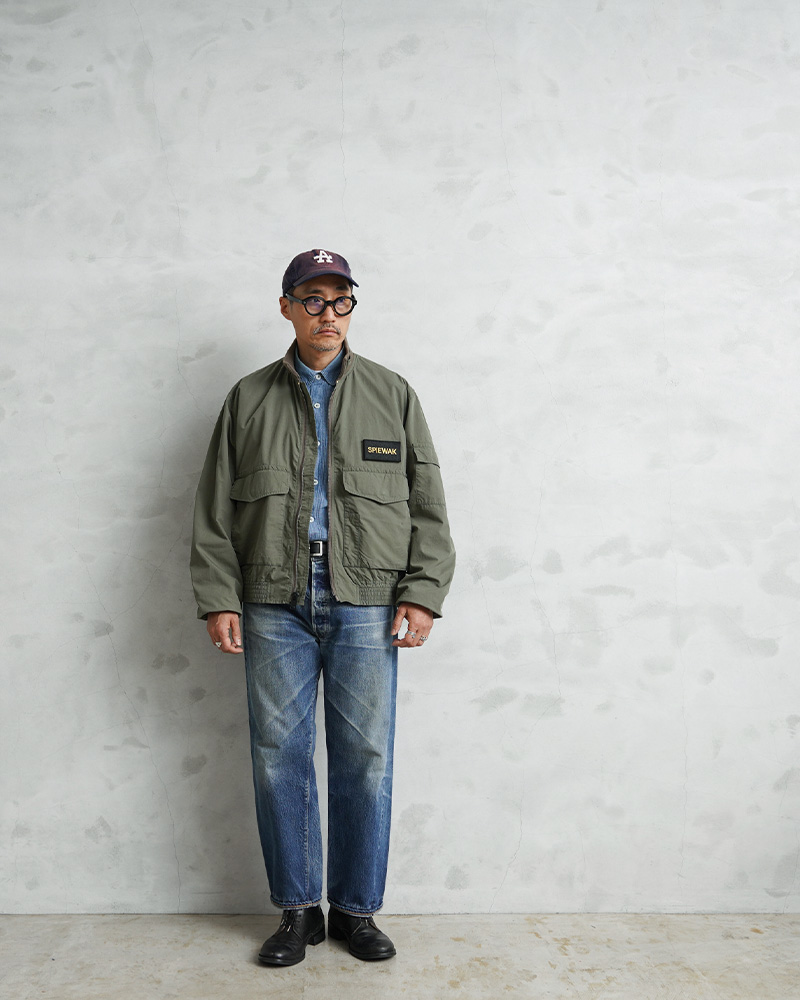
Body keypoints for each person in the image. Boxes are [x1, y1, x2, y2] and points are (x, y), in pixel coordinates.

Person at [190, 249, 455, 966]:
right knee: (279, 757)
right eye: (312, 299)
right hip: (271, 598)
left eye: (340, 300)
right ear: (286, 308)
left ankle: (356, 912)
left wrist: (422, 592)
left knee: (365, 758)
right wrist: (219, 598)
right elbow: (213, 509)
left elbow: (428, 504)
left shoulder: (392, 393)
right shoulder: (248, 397)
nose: (327, 314)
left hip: (366, 596)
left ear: (351, 308)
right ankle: (298, 911)